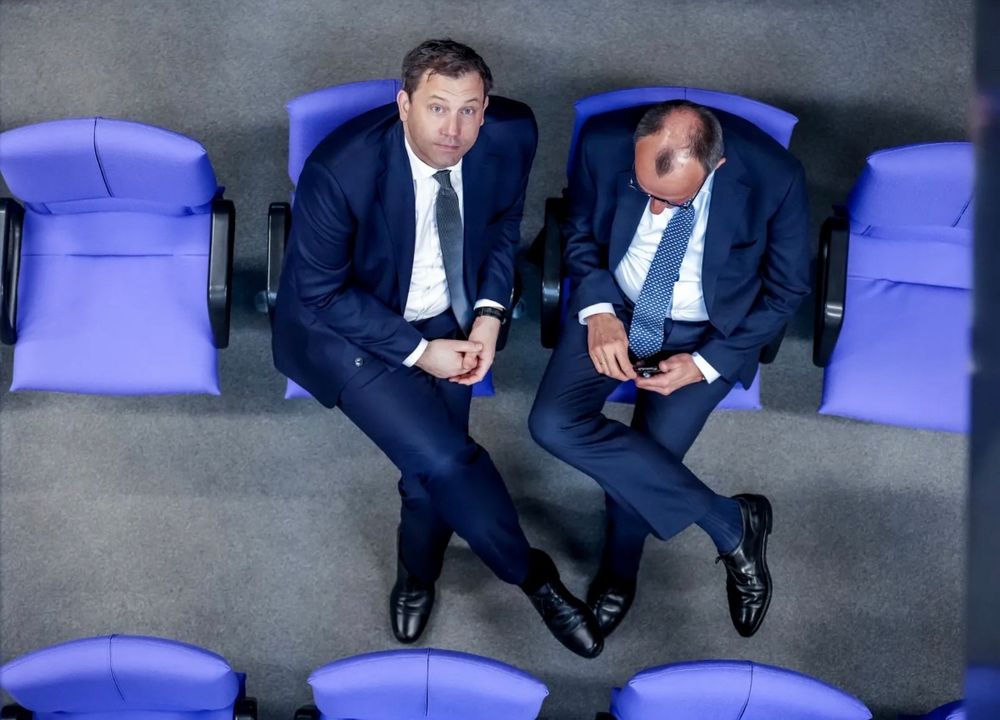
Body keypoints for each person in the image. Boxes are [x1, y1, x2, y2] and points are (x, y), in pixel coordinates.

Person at [272, 39, 602, 658]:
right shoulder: (339, 170)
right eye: (437, 108)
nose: (454, 130)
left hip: (450, 315)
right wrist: (421, 353)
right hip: (350, 330)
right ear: (404, 105)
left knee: (426, 476)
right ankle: (535, 579)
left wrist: (488, 315)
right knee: (448, 461)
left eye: (469, 110)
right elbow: (321, 293)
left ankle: (416, 575)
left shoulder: (510, 134)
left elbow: (503, 227)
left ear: (485, 108)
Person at [529, 100, 810, 639]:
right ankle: (732, 523)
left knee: (644, 464)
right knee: (551, 424)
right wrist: (598, 311)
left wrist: (706, 364)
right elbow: (578, 229)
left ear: (716, 166)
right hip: (619, 307)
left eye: (673, 200)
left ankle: (619, 574)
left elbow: (786, 291)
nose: (655, 210)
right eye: (646, 192)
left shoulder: (777, 177)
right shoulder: (602, 143)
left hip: (707, 333)